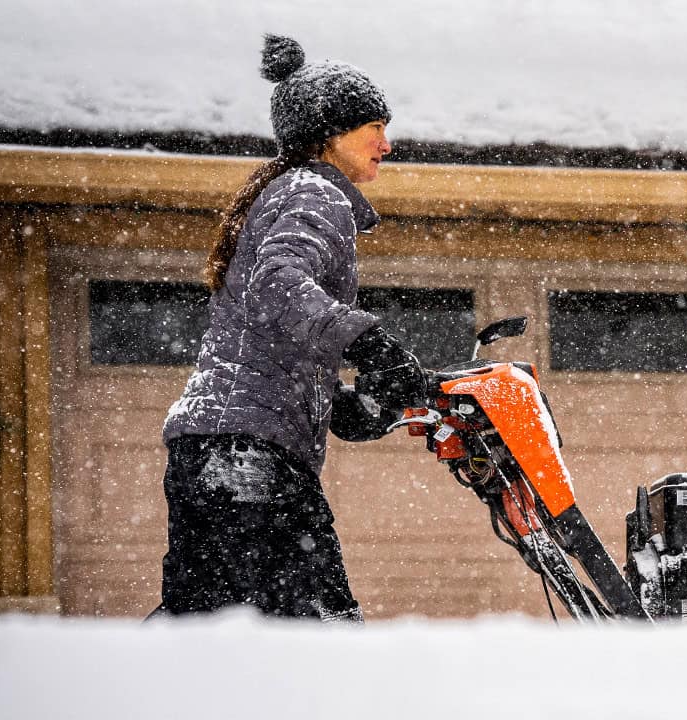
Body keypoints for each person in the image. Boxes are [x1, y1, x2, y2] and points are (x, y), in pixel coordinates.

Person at [151, 35, 427, 623]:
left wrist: (347, 404)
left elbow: (268, 337)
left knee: (206, 630)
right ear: (328, 134)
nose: (387, 144)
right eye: (374, 128)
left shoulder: (288, 193)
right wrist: (368, 342)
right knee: (317, 630)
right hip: (249, 455)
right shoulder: (316, 193)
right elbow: (278, 284)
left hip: (214, 449)